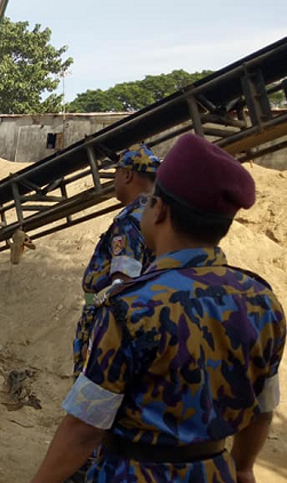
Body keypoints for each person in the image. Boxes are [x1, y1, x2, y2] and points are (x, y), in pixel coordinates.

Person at [32, 134, 285, 483]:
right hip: (213, 470)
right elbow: (262, 408)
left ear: (160, 210)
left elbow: (84, 429)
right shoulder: (262, 302)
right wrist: (241, 468)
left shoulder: (131, 308)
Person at [73, 144, 159, 377]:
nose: (114, 181)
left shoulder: (130, 221)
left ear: (128, 175)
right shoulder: (160, 214)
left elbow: (121, 287)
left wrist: (95, 306)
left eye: (116, 174)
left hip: (112, 326)